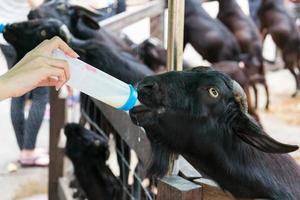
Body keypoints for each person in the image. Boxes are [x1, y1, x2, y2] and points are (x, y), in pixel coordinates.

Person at [0, 36, 78, 166]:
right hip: (32, 37)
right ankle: (28, 151)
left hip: (6, 36)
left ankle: (25, 150)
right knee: (40, 93)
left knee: (16, 88)